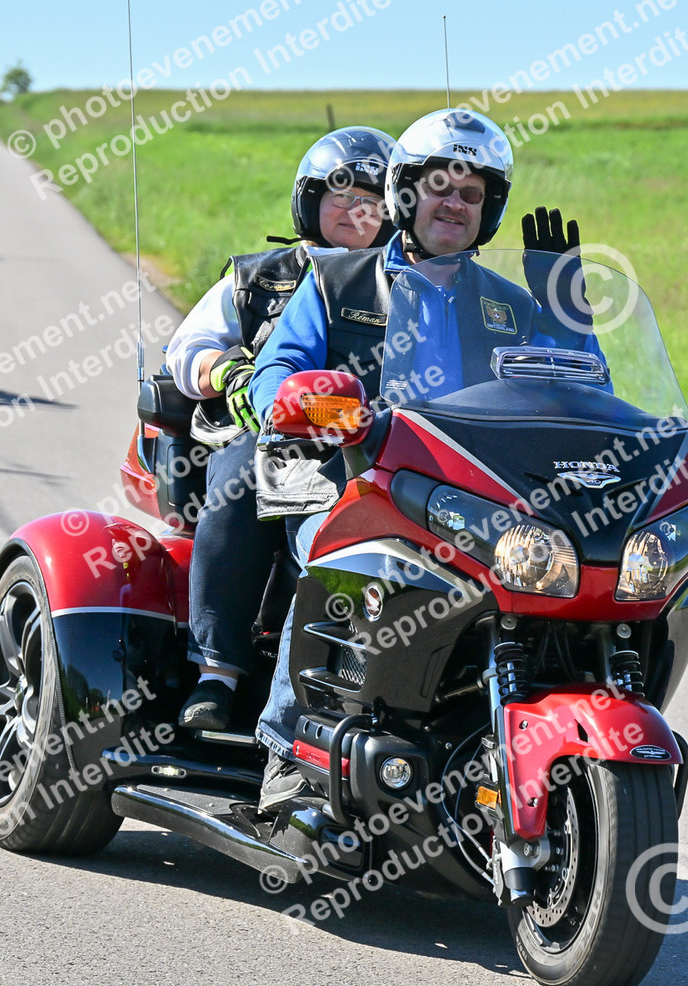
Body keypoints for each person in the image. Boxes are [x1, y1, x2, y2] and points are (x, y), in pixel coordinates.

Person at [244, 107, 588, 811]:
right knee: (335, 558)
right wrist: (305, 401)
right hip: (347, 478)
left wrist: (566, 314)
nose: (455, 203)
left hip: (472, 497)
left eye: (472, 193)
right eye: (440, 187)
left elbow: (578, 395)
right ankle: (288, 746)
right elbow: (275, 371)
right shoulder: (339, 280)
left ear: (489, 211)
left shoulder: (511, 306)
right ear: (405, 192)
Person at [166, 126, 396, 731]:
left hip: (378, 440)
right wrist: (231, 374)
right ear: (308, 200)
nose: (355, 209)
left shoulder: (408, 282)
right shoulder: (258, 276)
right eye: (341, 194)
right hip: (267, 431)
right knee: (242, 481)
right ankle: (218, 672)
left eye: (371, 199)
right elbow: (186, 349)